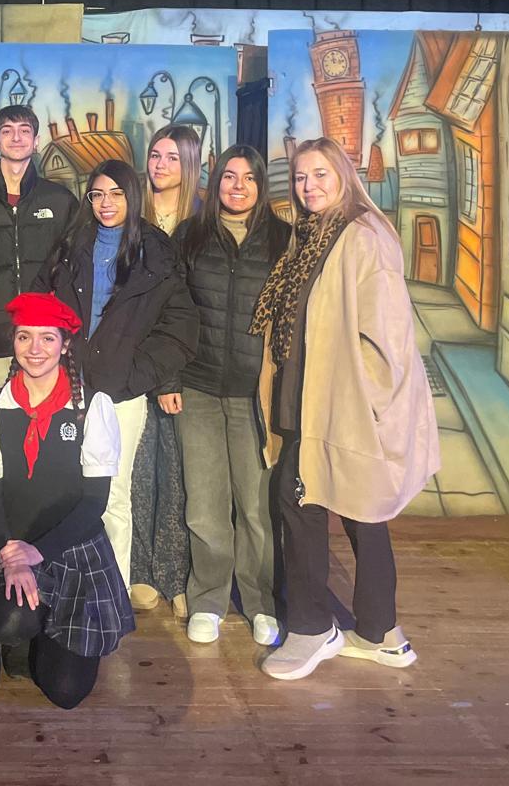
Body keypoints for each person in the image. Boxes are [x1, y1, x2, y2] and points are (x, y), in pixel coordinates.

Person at [251, 137, 440, 681]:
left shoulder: (361, 236)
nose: (308, 186)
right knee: (362, 508)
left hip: (341, 401)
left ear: (343, 175)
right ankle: (380, 632)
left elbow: (388, 335)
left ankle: (313, 628)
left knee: (299, 500)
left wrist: (373, 404)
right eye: (300, 177)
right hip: (311, 393)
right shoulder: (312, 234)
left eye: (319, 174)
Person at [36, 159, 197, 589]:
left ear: (132, 196)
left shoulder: (156, 251)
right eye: (97, 195)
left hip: (121, 394)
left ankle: (114, 592)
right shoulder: (72, 244)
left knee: (113, 495)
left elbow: (180, 327)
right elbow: (40, 302)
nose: (106, 203)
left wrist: (135, 374)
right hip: (67, 387)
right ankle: (67, 586)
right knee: (65, 489)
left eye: (116, 194)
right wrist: (49, 357)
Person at [0, 293, 133, 709]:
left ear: (65, 345)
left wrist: (39, 552)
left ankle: (49, 632)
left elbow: (94, 502)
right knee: (8, 623)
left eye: (47, 338)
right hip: (13, 547)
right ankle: (27, 630)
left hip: (73, 551)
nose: (35, 349)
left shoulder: (92, 406)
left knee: (64, 692)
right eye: (24, 337)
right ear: (14, 342)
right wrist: (11, 555)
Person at [172, 144, 289, 647]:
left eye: (249, 178)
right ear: (215, 180)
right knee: (205, 506)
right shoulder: (191, 236)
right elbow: (172, 311)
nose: (238, 187)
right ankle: (208, 600)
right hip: (197, 387)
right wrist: (168, 379)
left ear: (261, 185)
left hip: (254, 394)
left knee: (256, 507)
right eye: (229, 177)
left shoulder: (282, 239)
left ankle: (260, 602)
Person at [127, 123, 203, 616]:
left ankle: (175, 575)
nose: (160, 165)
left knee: (178, 474)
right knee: (139, 467)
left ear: (190, 163)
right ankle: (140, 570)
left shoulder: (202, 222)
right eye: (155, 155)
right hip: (137, 362)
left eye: (172, 157)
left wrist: (171, 374)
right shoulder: (132, 217)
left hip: (188, 364)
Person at [0, 104, 78, 401]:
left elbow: (74, 268)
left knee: (43, 420)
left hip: (43, 344)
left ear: (36, 141)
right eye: (7, 131)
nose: (16, 138)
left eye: (24, 131)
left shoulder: (60, 200)